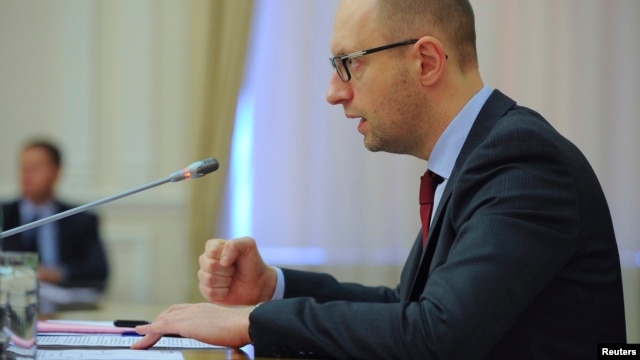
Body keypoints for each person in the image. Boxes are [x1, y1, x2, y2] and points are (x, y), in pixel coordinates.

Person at [132, 0, 627, 358]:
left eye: (348, 64)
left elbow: (436, 334)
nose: (333, 93)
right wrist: (272, 287)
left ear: (426, 61)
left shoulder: (522, 161)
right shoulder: (480, 154)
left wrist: (250, 321)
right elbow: (409, 308)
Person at [2, 139, 109, 290]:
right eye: (24, 168)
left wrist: (55, 274)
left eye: (36, 168)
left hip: (61, 305)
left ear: (55, 172)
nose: (27, 176)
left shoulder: (80, 219)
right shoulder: (4, 215)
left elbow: (99, 270)